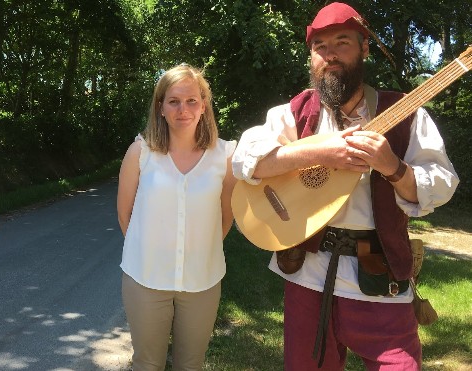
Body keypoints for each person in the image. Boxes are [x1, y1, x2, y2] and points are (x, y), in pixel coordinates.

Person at [232, 2, 458, 370]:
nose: (330, 54)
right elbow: (246, 161)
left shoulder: (403, 113)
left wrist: (393, 167)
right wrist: (321, 153)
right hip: (307, 274)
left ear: (364, 49)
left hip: (378, 276)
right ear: (311, 57)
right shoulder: (295, 113)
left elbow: (443, 184)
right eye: (320, 47)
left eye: (342, 42)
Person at [117, 64, 237, 370]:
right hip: (145, 278)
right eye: (173, 101)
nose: (183, 109)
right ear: (161, 107)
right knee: (147, 364)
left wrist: (198, 251)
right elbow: (125, 216)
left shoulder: (224, 157)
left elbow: (226, 217)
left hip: (202, 280)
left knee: (191, 364)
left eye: (191, 101)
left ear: (203, 105)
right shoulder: (140, 153)